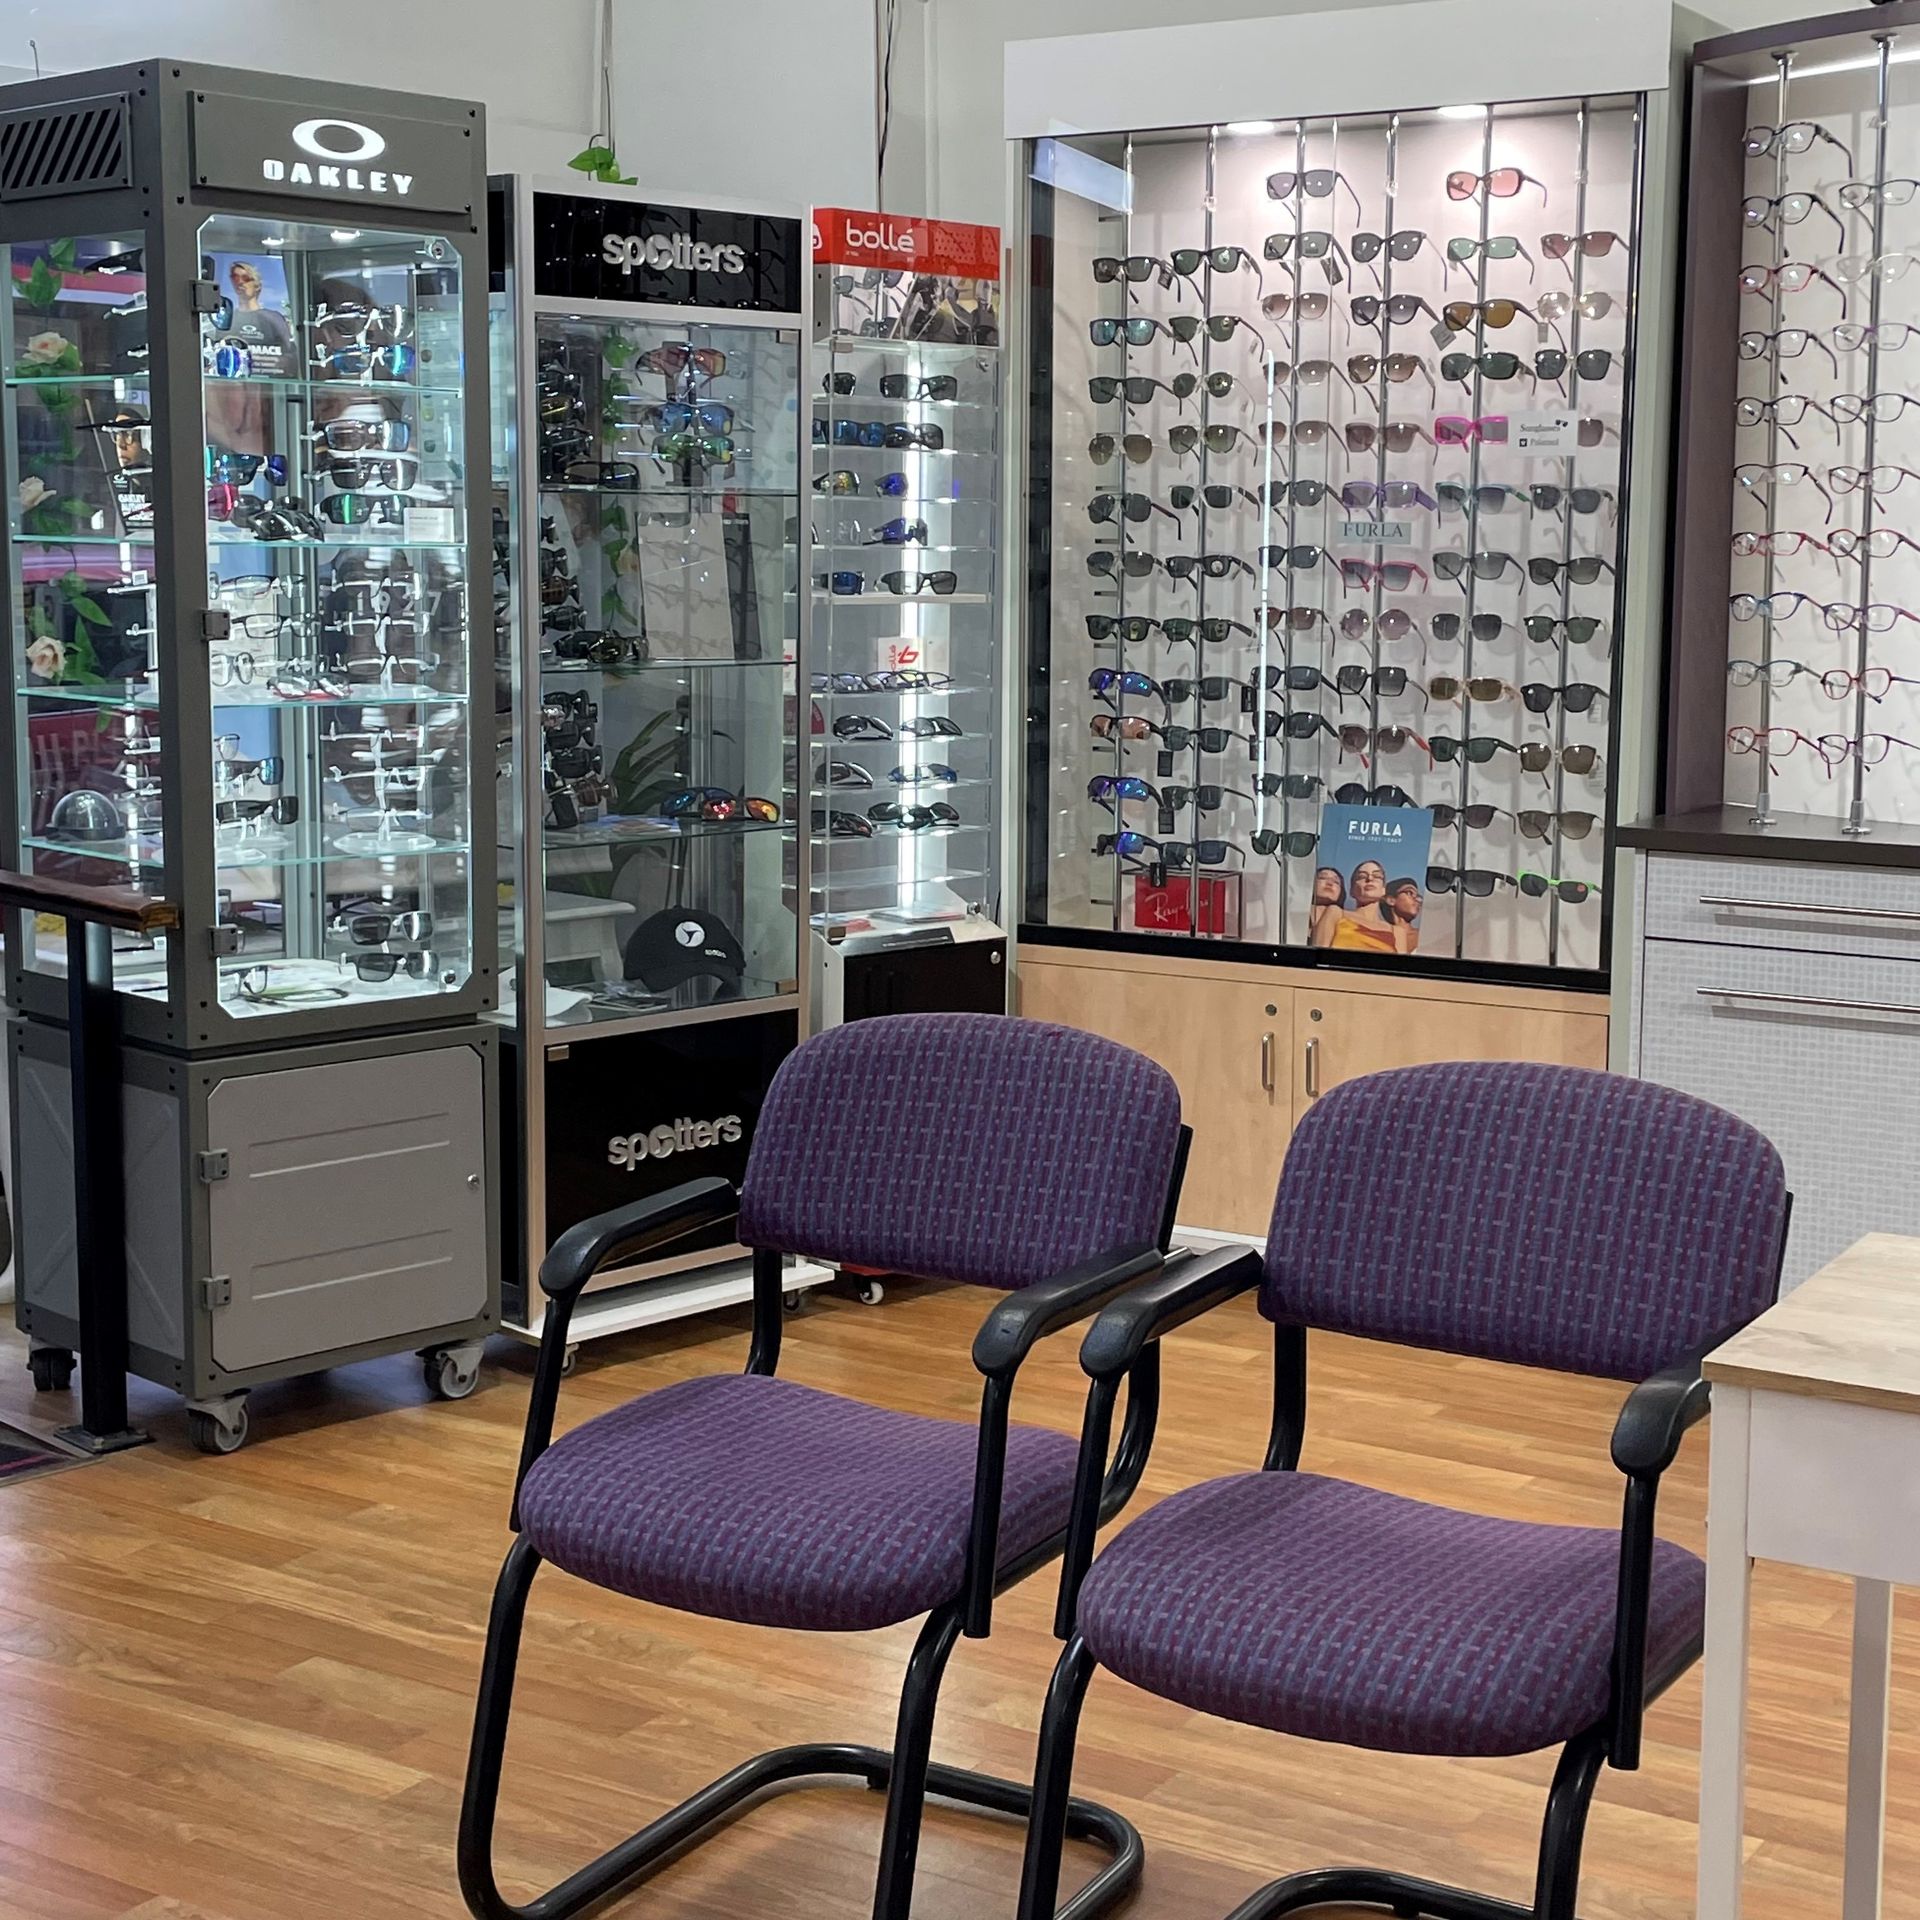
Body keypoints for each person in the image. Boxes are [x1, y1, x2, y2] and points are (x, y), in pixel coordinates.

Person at [1311, 858, 1398, 954]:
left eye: (1377, 876)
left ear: (1383, 889)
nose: (1370, 879)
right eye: (1361, 876)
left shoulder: (1396, 931)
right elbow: (1318, 955)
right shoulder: (1336, 914)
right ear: (1351, 890)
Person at [1383, 876, 1422, 955]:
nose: (1417, 900)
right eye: (1409, 893)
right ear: (1391, 900)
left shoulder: (1426, 936)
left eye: (1418, 896)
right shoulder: (1376, 935)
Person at [1307, 865, 1344, 943]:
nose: (1330, 883)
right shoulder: (1293, 914)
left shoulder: (1347, 922)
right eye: (1322, 878)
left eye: (1336, 882)